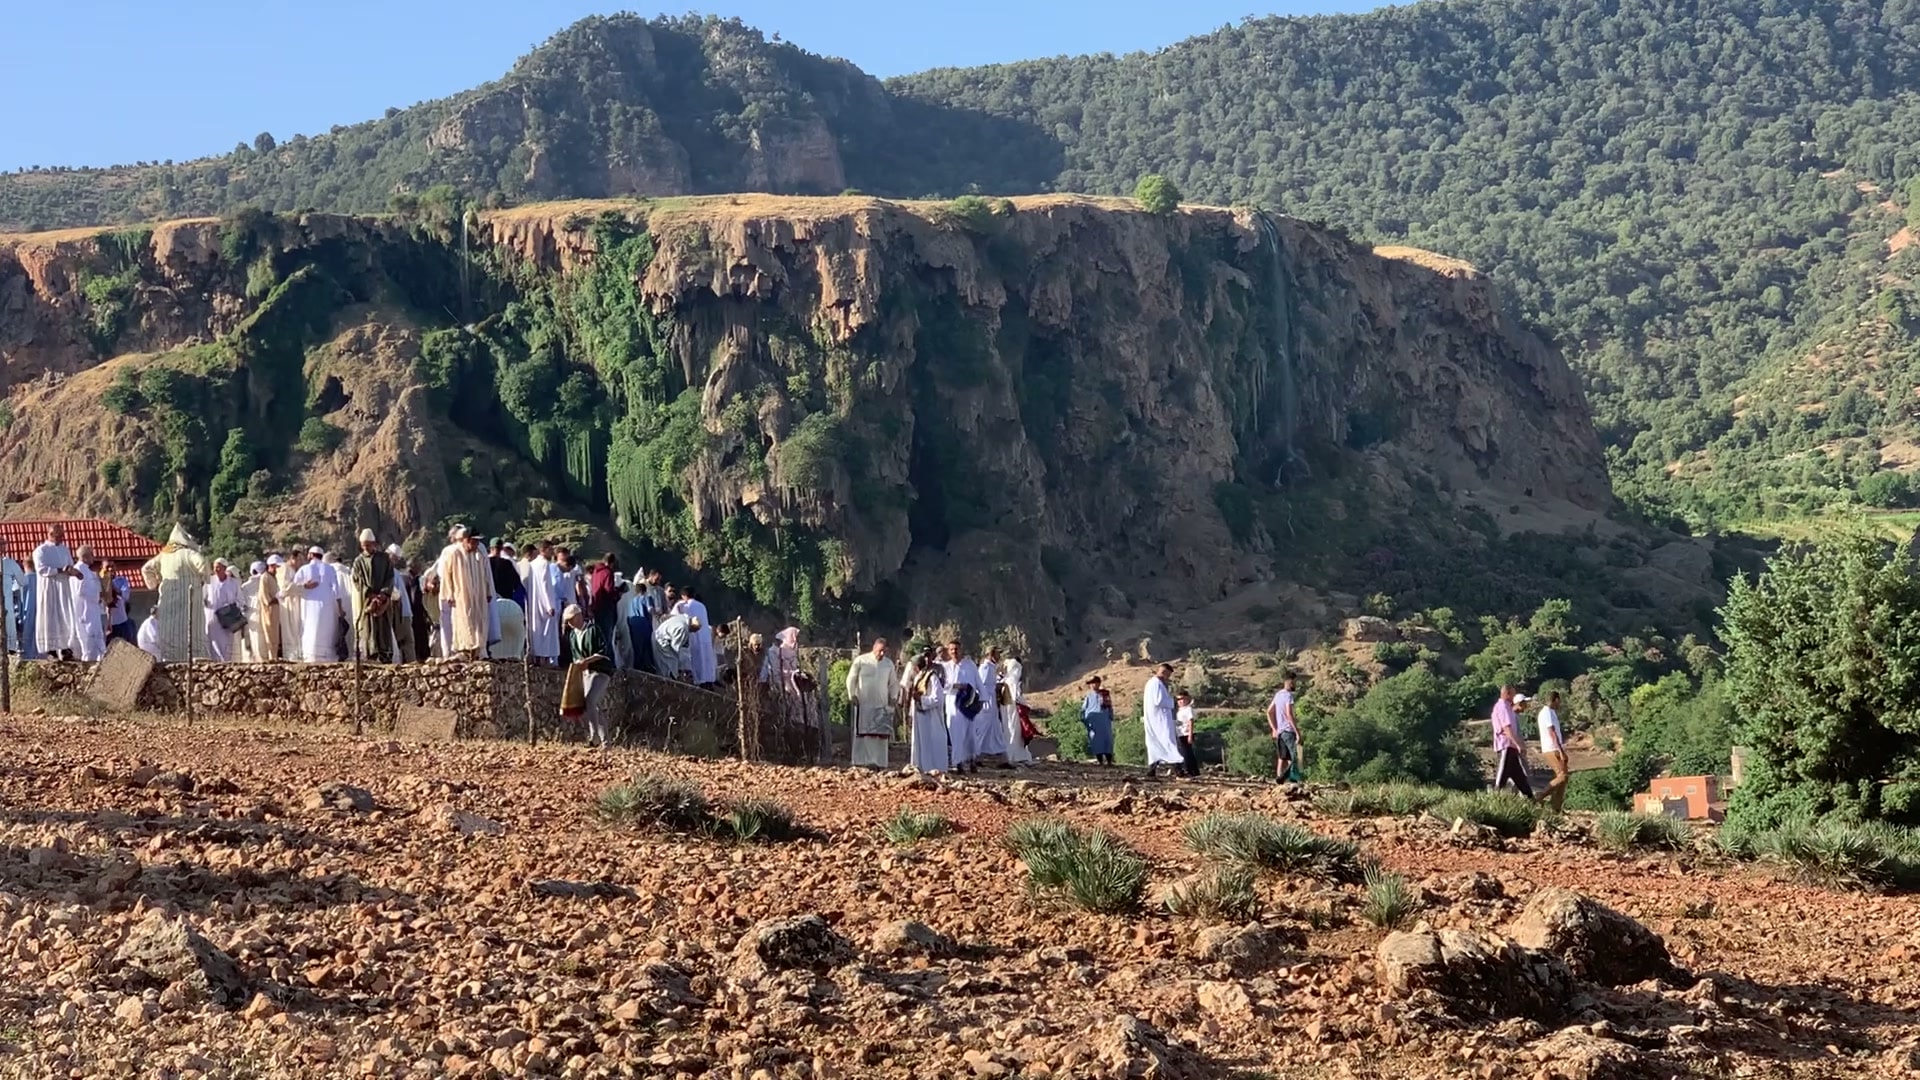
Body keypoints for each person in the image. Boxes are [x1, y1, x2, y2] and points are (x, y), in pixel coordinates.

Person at [140, 524, 210, 661]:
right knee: (192, 631)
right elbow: (202, 563)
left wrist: (154, 583)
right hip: (189, 599)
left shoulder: (163, 555)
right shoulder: (188, 553)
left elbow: (145, 569)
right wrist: (203, 579)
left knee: (170, 632)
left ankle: (172, 661)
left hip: (167, 602)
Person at [559, 604, 616, 749]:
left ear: (578, 616)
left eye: (571, 619)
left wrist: (588, 661)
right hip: (585, 672)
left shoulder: (593, 630)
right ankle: (600, 739)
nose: (570, 623)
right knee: (589, 704)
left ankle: (597, 738)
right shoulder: (573, 635)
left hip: (600, 671)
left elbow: (603, 651)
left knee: (590, 700)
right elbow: (575, 655)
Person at [436, 526, 492, 659]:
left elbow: (485, 574)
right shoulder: (454, 553)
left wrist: (488, 591)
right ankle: (464, 650)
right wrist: (449, 593)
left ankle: (478, 651)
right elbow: (446, 575)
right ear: (466, 540)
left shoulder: (478, 554)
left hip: (478, 595)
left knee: (479, 620)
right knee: (464, 621)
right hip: (461, 595)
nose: (476, 544)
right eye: (474, 541)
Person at [845, 638, 900, 769]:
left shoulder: (888, 664)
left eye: (884, 652)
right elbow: (851, 679)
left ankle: (879, 762)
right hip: (864, 703)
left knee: (880, 733)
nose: (882, 654)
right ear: (874, 648)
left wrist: (893, 698)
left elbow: (893, 683)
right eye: (880, 651)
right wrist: (852, 694)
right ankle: (860, 762)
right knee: (863, 732)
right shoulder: (861, 661)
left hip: (881, 704)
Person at [33, 524, 81, 660]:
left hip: (64, 588)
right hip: (49, 589)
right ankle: (51, 650)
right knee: (50, 617)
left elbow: (70, 564)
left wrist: (73, 572)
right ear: (50, 534)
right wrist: (60, 570)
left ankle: (66, 648)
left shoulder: (64, 549)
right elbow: (42, 570)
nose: (62, 538)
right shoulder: (40, 551)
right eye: (59, 535)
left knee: (65, 616)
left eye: (62, 535)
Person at [350, 530, 398, 663]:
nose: (366, 547)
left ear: (373, 543)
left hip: (383, 602)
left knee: (384, 629)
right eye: (363, 545)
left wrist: (383, 595)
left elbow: (390, 578)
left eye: (368, 545)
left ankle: (385, 655)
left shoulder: (384, 559)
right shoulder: (358, 562)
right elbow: (357, 581)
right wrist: (371, 595)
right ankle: (371, 656)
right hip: (368, 602)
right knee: (368, 629)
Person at [940, 639, 987, 775]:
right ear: (948, 651)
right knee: (955, 734)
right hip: (953, 704)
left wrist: (983, 699)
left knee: (971, 734)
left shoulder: (969, 665)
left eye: (956, 649)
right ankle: (958, 763)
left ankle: (972, 760)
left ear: (961, 650)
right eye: (952, 649)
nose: (954, 652)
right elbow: (942, 686)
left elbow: (978, 682)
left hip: (969, 704)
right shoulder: (945, 667)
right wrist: (956, 686)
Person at [289, 547, 341, 662]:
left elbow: (294, 587)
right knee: (326, 630)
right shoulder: (329, 569)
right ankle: (325, 656)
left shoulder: (304, 569)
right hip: (326, 606)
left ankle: (310, 654)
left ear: (311, 555)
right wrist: (340, 608)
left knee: (309, 628)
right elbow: (336, 591)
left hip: (309, 606)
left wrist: (305, 586)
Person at [904, 644, 950, 775]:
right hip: (920, 717)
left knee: (933, 741)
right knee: (920, 744)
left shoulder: (932, 677)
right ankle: (921, 767)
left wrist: (921, 700)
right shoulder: (919, 677)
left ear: (916, 667)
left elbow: (937, 699)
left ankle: (935, 768)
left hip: (932, 718)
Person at [523, 541, 565, 667]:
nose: (553, 552)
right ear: (544, 549)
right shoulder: (544, 564)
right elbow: (545, 584)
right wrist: (549, 605)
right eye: (551, 549)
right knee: (546, 632)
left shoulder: (533, 564)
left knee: (537, 631)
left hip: (534, 601)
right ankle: (545, 659)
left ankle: (537, 657)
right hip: (544, 603)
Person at [1491, 685, 1536, 799]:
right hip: (1506, 746)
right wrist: (1518, 744)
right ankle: (1493, 800)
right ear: (1507, 694)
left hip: (1511, 747)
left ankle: (1530, 799)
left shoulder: (1507, 708)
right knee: (1501, 778)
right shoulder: (1502, 707)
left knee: (1519, 776)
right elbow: (1506, 728)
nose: (1513, 697)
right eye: (1512, 694)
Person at [759, 626, 807, 725]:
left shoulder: (793, 651)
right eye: (795, 637)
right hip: (780, 682)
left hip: (792, 681)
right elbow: (775, 670)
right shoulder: (775, 652)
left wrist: (797, 673)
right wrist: (790, 674)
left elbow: (794, 666)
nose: (797, 640)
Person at [68, 546, 108, 662]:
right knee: (89, 642)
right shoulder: (78, 571)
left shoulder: (88, 572)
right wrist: (97, 595)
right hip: (85, 612)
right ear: (85, 557)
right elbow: (80, 592)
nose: (93, 558)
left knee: (97, 640)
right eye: (91, 555)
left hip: (92, 610)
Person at [1142, 663, 1182, 778]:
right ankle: (1178, 770)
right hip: (1160, 720)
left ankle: (1152, 771)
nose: (1168, 679)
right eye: (1168, 675)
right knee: (1168, 742)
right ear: (1164, 673)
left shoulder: (1151, 683)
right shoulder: (1156, 683)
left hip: (1155, 719)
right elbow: (1159, 701)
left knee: (1156, 744)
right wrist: (1172, 702)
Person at [202, 559, 242, 661]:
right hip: (212, 617)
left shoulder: (233, 583)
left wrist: (231, 608)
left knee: (227, 643)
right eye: (215, 567)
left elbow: (240, 599)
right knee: (213, 642)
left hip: (228, 617)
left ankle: (226, 664)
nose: (216, 569)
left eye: (218, 567)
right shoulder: (209, 581)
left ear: (224, 568)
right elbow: (203, 598)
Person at [1000, 650, 1034, 767]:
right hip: (1013, 710)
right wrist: (1026, 705)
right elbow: (1016, 697)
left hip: (1006, 709)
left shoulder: (1005, 681)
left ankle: (1011, 754)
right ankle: (1017, 755)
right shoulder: (1012, 681)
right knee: (1015, 731)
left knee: (1008, 731)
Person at [977, 647, 1010, 765]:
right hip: (986, 702)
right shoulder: (985, 668)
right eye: (997, 653)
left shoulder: (991, 667)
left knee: (995, 729)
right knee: (983, 729)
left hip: (991, 702)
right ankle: (976, 755)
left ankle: (1002, 757)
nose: (999, 656)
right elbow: (982, 685)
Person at [678, 587, 716, 686]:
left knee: (696, 660)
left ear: (683, 596)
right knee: (706, 660)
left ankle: (698, 681)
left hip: (694, 636)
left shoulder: (685, 606)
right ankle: (708, 680)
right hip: (705, 637)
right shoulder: (702, 606)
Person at [1268, 675, 1303, 783]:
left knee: (1282, 757)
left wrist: (1274, 729)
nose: (1295, 685)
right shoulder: (1288, 696)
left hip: (1280, 732)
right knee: (1296, 756)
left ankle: (1280, 780)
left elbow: (1269, 711)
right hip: (1288, 730)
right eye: (1294, 682)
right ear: (1290, 682)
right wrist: (1297, 732)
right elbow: (1289, 714)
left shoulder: (1278, 695)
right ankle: (1292, 780)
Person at [1538, 690, 1569, 813]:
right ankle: (1539, 796)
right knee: (1562, 776)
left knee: (1563, 779)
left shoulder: (1551, 713)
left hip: (1554, 748)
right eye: (1559, 701)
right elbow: (1552, 733)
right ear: (1556, 700)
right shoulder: (1547, 713)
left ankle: (1556, 808)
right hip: (1552, 748)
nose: (1559, 704)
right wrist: (1561, 750)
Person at [387, 545, 417, 663]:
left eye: (395, 558)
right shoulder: (392, 572)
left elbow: (395, 595)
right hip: (402, 613)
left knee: (406, 642)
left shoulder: (393, 573)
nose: (393, 560)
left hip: (402, 613)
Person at [588, 554, 621, 658]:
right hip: (606, 607)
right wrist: (618, 593)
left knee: (599, 635)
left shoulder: (595, 572)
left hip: (596, 606)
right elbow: (609, 591)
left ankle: (598, 658)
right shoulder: (607, 572)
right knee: (607, 636)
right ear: (612, 563)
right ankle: (607, 662)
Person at [652, 607, 697, 680]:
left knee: (668, 663)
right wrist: (682, 664)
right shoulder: (682, 628)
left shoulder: (682, 618)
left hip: (660, 636)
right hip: (662, 642)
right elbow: (676, 647)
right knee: (668, 664)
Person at [273, 555, 301, 661]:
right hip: (287, 602)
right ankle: (291, 656)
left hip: (292, 601)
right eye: (299, 560)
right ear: (292, 558)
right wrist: (302, 586)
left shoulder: (291, 570)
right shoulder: (284, 568)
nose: (300, 563)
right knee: (289, 629)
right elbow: (285, 587)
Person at [1081, 677, 1116, 765]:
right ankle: (1100, 761)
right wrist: (1085, 720)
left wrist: (1111, 716)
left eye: (1095, 683)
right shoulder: (1088, 696)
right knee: (1096, 741)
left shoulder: (1104, 694)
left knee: (1107, 740)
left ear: (1099, 683)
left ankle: (1109, 761)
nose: (1093, 685)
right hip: (1094, 723)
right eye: (1091, 683)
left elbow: (1109, 706)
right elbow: (1083, 710)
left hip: (1104, 721)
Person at [1175, 691, 1201, 778]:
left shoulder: (1188, 709)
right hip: (1180, 734)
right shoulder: (1180, 711)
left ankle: (1190, 770)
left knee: (1186, 753)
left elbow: (1191, 721)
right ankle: (1193, 771)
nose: (1180, 701)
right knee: (1187, 752)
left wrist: (1190, 734)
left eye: (1182, 699)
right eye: (1178, 699)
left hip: (1186, 733)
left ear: (1187, 699)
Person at [106, 571, 134, 646]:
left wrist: (115, 589)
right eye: (108, 567)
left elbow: (126, 595)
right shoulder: (99, 582)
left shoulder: (121, 581)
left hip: (122, 621)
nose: (110, 569)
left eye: (112, 566)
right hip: (109, 623)